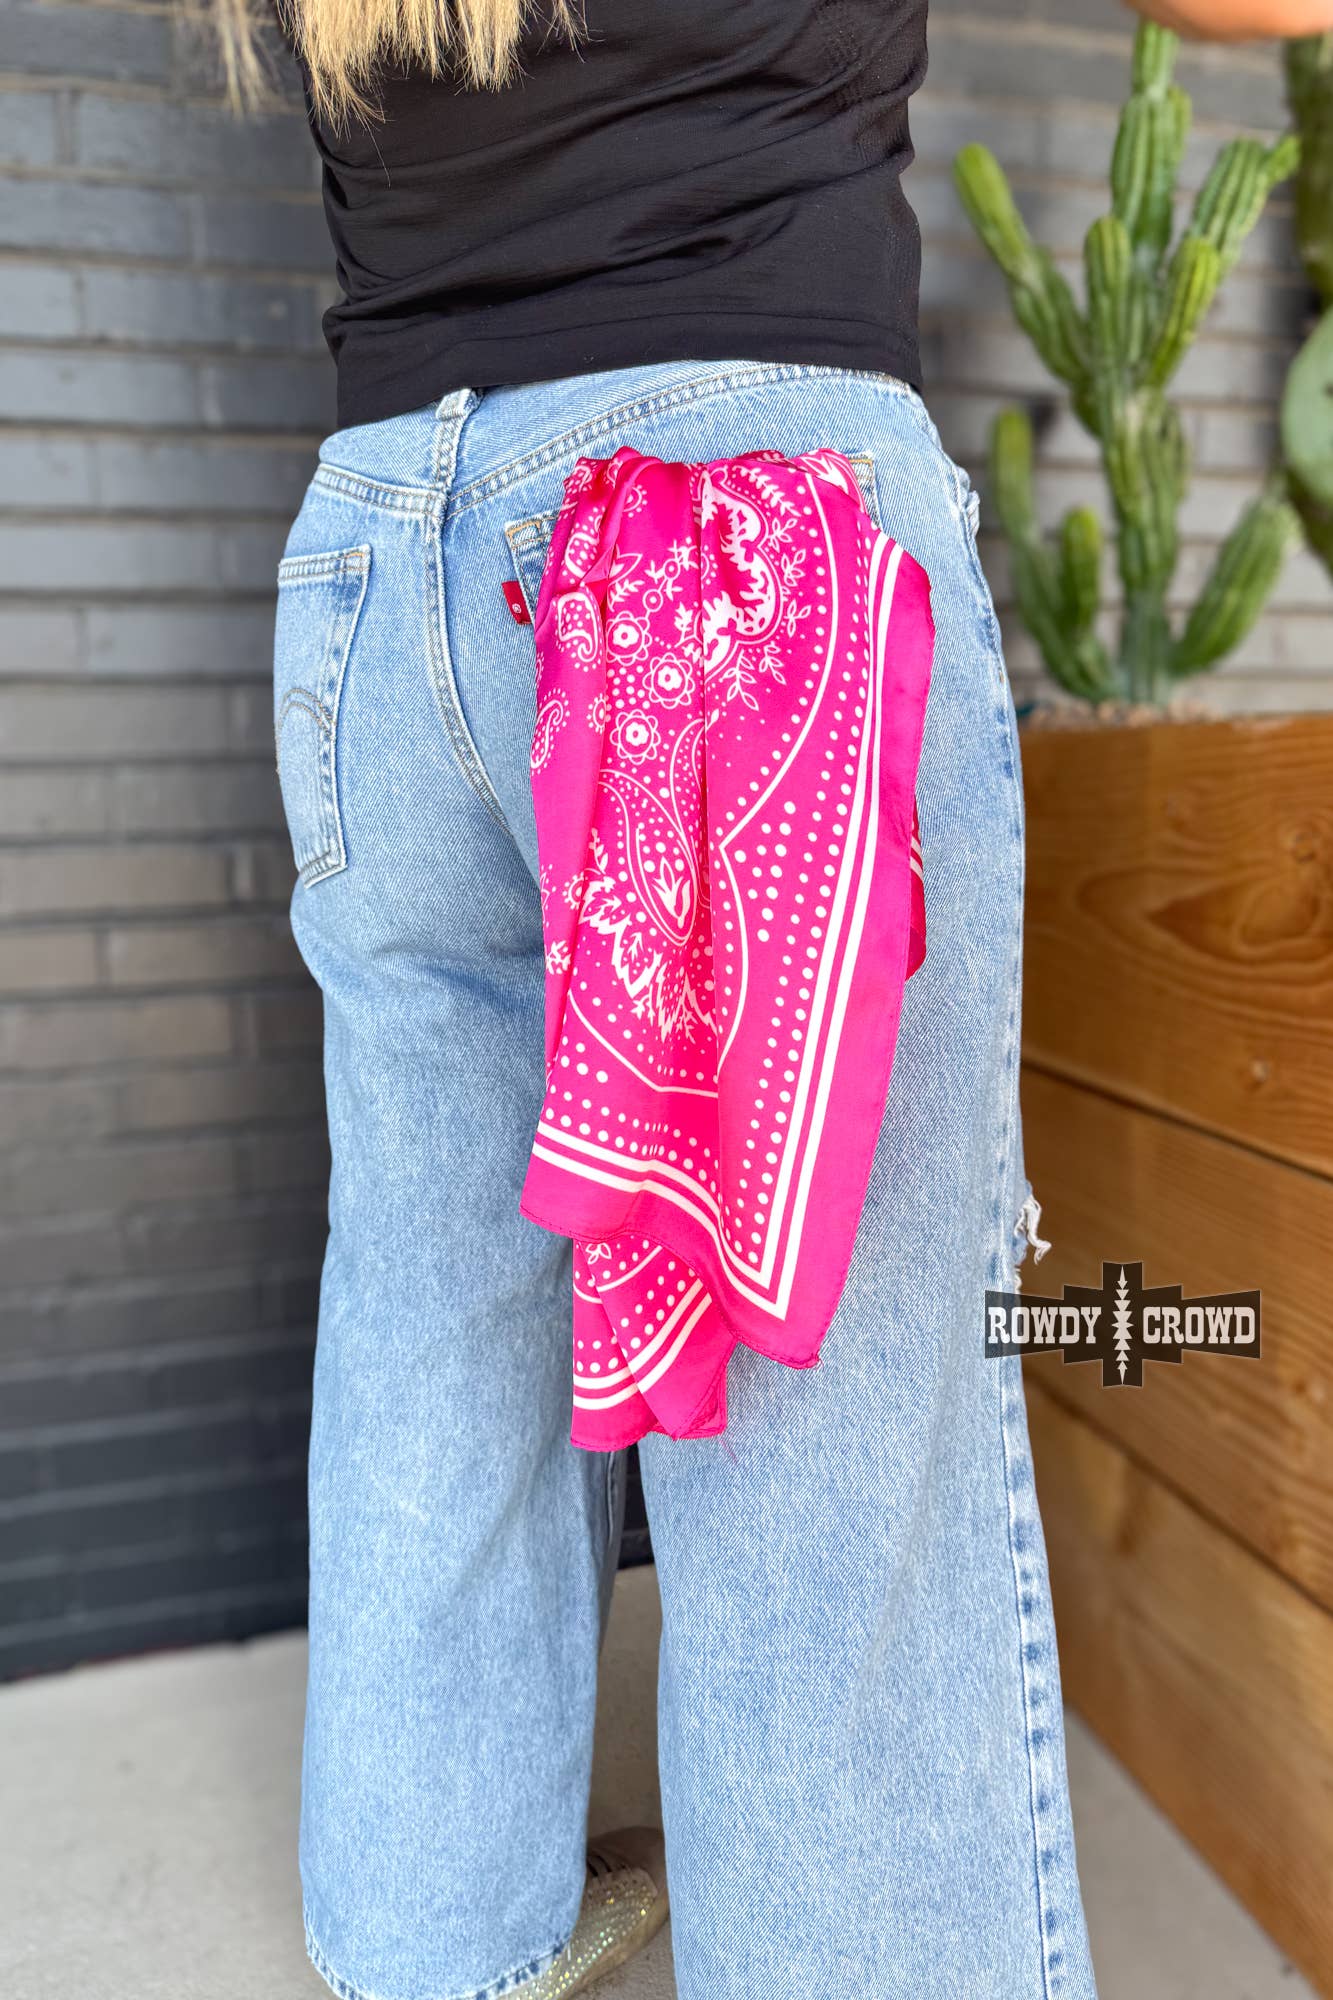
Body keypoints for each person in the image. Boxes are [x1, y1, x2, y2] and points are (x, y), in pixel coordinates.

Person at [222, 0, 1327, 1994]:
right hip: (741, 541)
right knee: (826, 1383)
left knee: (434, 1300)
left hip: (384, 554)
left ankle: (430, 1939)